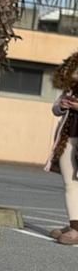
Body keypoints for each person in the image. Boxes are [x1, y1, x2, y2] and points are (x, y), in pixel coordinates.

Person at [46, 51, 78, 245]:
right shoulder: (70, 89)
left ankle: (76, 228)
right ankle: (75, 225)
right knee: (70, 183)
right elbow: (55, 109)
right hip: (67, 140)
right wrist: (63, 104)